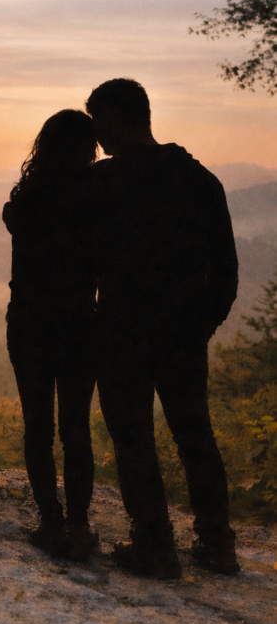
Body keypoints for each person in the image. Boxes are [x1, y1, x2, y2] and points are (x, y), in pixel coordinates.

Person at [87, 77, 239, 578]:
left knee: (133, 439)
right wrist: (199, 325)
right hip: (181, 334)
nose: (96, 135)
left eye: (99, 121)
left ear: (120, 118)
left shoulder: (105, 183)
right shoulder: (200, 181)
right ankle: (217, 545)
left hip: (121, 333)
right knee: (195, 435)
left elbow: (78, 258)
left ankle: (155, 546)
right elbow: (225, 272)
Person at [4, 109, 99, 561]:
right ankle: (79, 524)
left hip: (29, 324)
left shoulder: (27, 198)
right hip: (80, 324)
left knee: (37, 428)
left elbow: (15, 222)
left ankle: (50, 521)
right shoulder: (95, 197)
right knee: (76, 430)